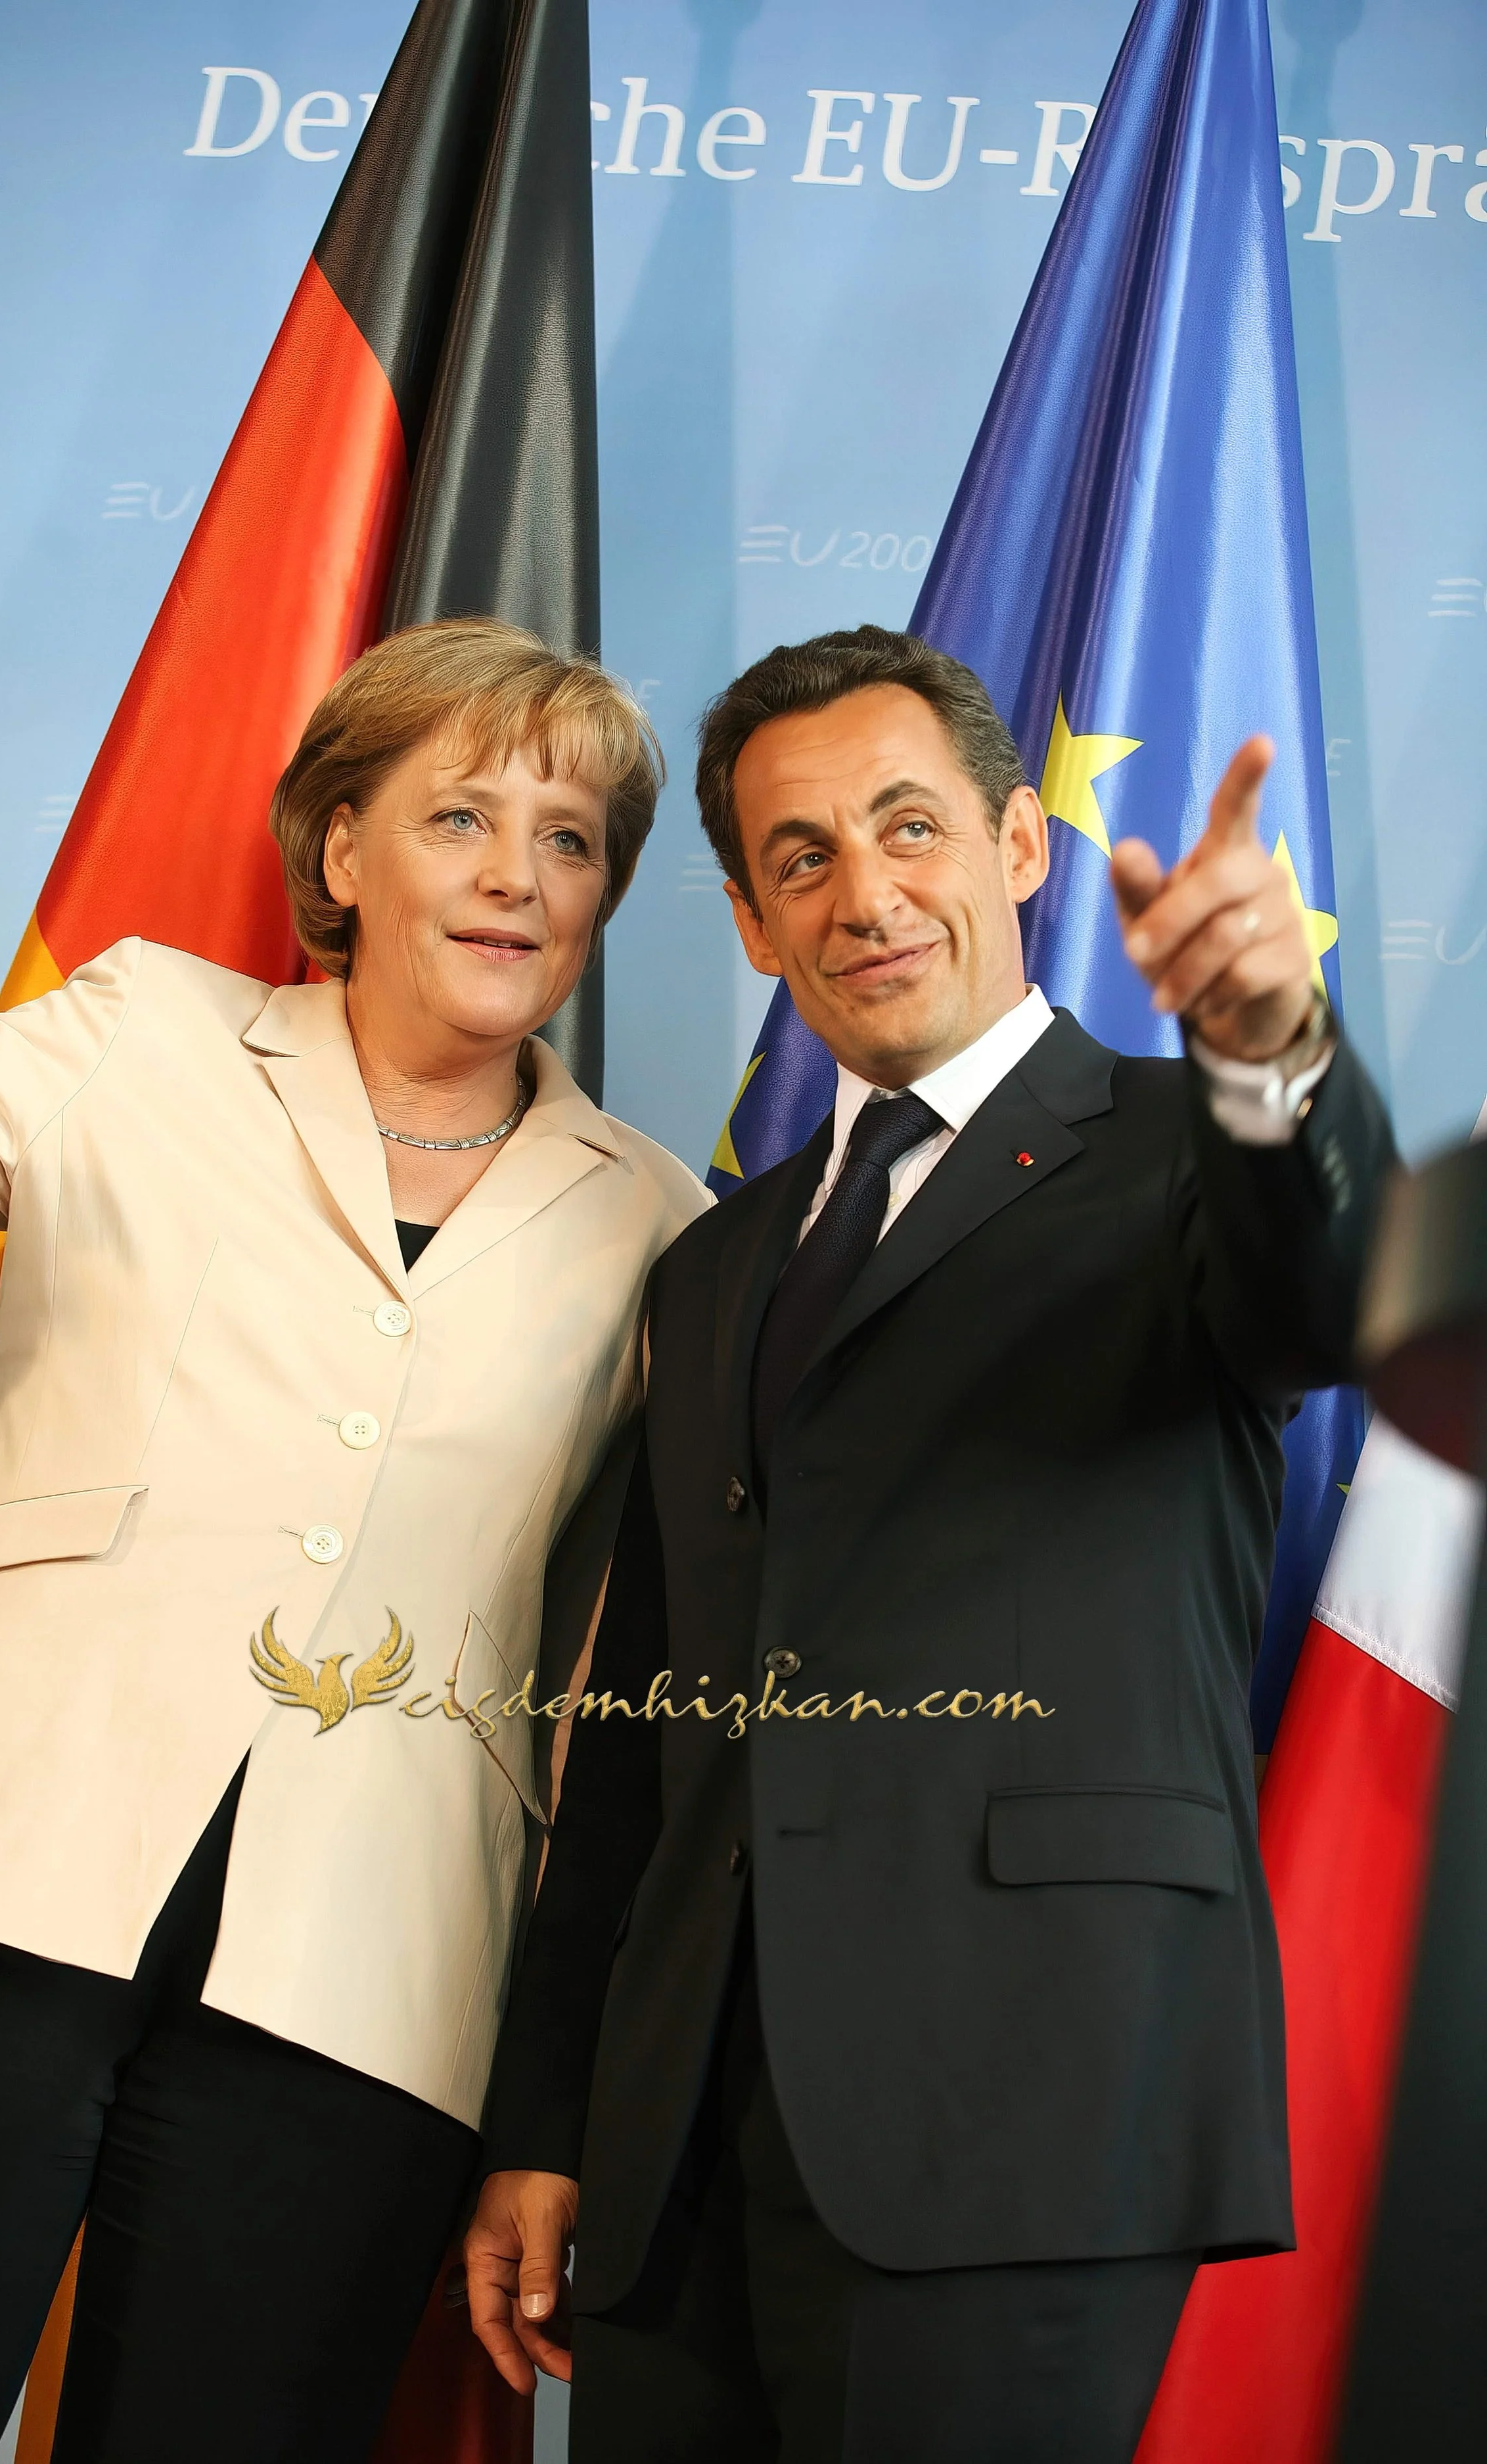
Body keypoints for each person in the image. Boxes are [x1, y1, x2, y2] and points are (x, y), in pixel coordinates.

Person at [467, 626, 1396, 2462]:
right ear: (748, 922)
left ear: (1014, 848)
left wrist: (1271, 1048)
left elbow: (1322, 1289)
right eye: (798, 857)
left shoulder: (1174, 1149)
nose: (863, 893)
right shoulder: (711, 1264)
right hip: (679, 2166)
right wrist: (548, 2110)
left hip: (1021, 2113)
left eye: (909, 828)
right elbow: (641, 1736)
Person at [0, 616, 708, 2464]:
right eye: (457, 816)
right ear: (337, 851)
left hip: (367, 1975)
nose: (512, 876)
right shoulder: (143, 1029)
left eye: (567, 839)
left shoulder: (658, 1217)